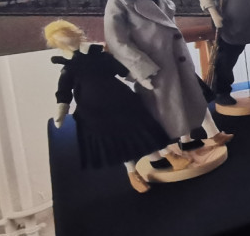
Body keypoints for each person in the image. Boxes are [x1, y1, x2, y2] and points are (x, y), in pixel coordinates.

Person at [102, 0, 228, 153]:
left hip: (176, 57)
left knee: (191, 97)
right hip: (154, 64)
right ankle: (172, 150)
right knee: (167, 106)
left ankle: (198, 138)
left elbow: (166, 17)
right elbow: (117, 40)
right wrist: (142, 70)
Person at [46, 19, 170, 193]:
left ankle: (157, 158)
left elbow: (123, 70)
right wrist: (61, 110)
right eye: (60, 39)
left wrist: (142, 79)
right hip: (95, 111)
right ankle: (132, 172)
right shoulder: (69, 67)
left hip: (121, 100)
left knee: (139, 129)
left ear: (76, 34)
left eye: (67, 35)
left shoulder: (100, 55)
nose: (66, 40)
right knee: (116, 139)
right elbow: (64, 90)